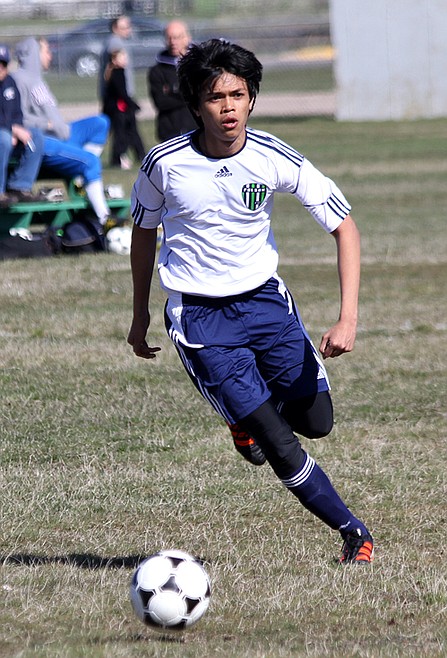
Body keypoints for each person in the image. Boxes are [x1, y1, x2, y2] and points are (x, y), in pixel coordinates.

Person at [128, 39, 374, 564]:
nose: (229, 108)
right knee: (277, 442)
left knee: (317, 421)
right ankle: (354, 533)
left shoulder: (272, 155)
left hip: (266, 305)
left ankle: (246, 417)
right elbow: (143, 233)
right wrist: (139, 312)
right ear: (195, 105)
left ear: (252, 98)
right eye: (215, 97)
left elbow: (345, 226)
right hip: (200, 319)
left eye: (238, 95)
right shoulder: (163, 164)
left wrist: (348, 318)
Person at [12, 37, 117, 230]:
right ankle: (105, 219)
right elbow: (14, 120)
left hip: (61, 134)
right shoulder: (18, 80)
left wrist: (57, 125)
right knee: (91, 161)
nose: (50, 56)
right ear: (34, 54)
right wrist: (45, 124)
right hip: (43, 140)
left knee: (100, 123)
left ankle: (81, 180)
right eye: (46, 51)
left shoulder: (36, 79)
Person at [0, 44, 43, 208]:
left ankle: (20, 186)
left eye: (3, 64)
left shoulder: (10, 82)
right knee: (3, 139)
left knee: (35, 136)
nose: (0, 68)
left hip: (9, 132)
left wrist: (15, 128)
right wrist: (11, 129)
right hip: (4, 135)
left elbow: (17, 113)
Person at [147, 20, 197, 142]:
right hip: (169, 131)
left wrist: (173, 90)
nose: (173, 42)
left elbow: (201, 95)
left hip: (197, 128)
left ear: (187, 38)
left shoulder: (198, 66)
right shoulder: (157, 71)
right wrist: (188, 94)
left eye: (177, 37)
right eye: (169, 38)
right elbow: (160, 102)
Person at [103, 49, 145, 170]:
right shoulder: (117, 73)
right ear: (114, 61)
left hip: (121, 109)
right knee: (122, 135)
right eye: (122, 58)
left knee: (130, 133)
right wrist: (132, 104)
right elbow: (121, 93)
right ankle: (118, 158)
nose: (125, 60)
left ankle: (140, 155)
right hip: (120, 110)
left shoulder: (115, 72)